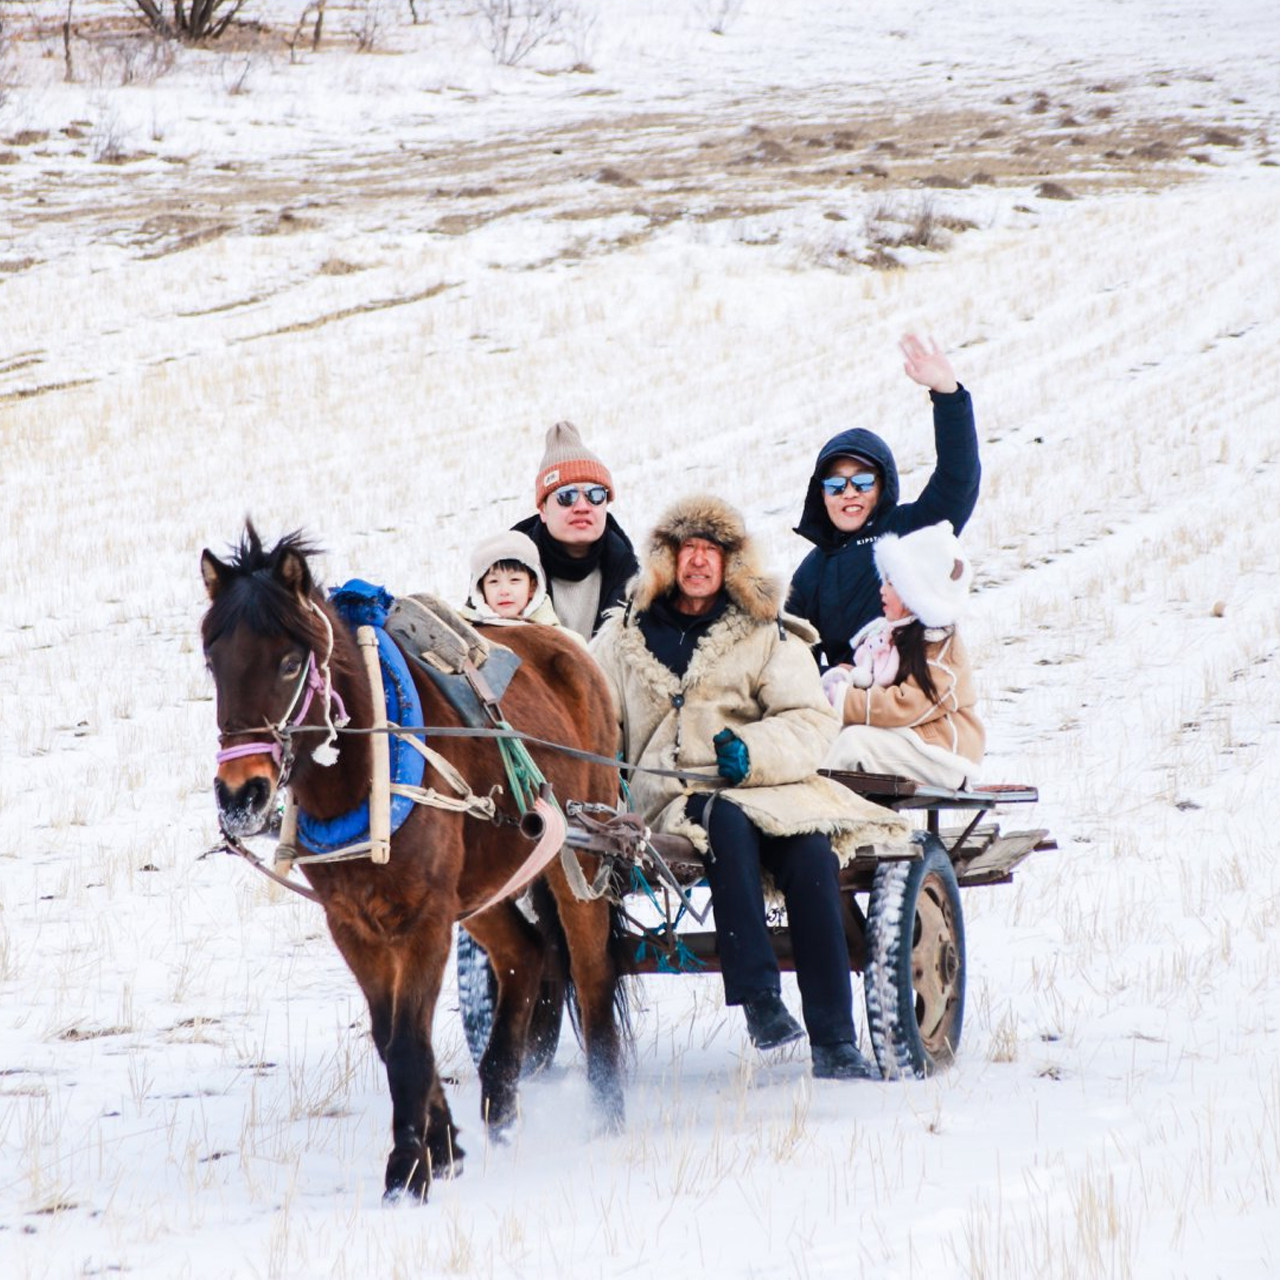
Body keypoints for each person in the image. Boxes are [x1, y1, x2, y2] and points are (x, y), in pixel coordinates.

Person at [590, 495, 910, 1081]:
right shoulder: (621, 639)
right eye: (687, 548)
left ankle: (835, 1042)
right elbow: (592, 718)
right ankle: (760, 999)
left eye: (712, 550)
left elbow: (811, 719)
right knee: (725, 820)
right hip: (672, 798)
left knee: (811, 853)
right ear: (666, 559)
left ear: (732, 562)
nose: (699, 562)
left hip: (767, 787)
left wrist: (753, 752)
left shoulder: (768, 633)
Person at [788, 334, 981, 669]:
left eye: (862, 481)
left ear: (883, 486)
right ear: (821, 495)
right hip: (846, 706)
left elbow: (958, 480)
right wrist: (831, 681)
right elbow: (791, 654)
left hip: (912, 696)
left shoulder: (909, 531)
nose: (849, 493)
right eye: (836, 485)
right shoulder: (811, 572)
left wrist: (947, 393)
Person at [822, 522, 984, 789]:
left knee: (854, 744)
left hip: (944, 757)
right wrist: (846, 677)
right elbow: (876, 680)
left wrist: (844, 699)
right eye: (883, 580)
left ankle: (817, 817)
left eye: (892, 583)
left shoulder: (941, 646)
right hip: (909, 745)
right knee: (826, 737)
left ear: (916, 593)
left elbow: (907, 704)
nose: (882, 589)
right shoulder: (891, 634)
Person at [513, 421, 639, 641]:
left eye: (595, 494)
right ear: (543, 509)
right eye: (566, 496)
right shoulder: (502, 577)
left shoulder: (633, 579)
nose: (582, 506)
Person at [461, 529, 564, 626]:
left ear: (533, 587)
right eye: (493, 581)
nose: (504, 591)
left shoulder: (558, 637)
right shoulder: (468, 636)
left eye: (514, 580)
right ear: (481, 591)